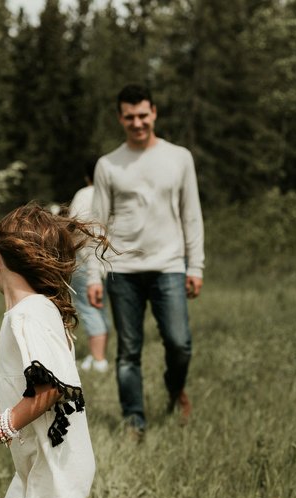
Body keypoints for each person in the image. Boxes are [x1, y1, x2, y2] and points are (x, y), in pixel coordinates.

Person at [0, 203, 110, 498]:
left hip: (54, 470)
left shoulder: (28, 315)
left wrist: (2, 425)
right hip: (44, 459)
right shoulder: (37, 310)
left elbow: (49, 389)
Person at [87, 84, 205, 436]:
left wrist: (195, 265)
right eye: (129, 117)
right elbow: (98, 225)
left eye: (143, 115)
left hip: (169, 264)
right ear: (120, 118)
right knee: (128, 352)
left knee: (179, 343)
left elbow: (191, 214)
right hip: (122, 271)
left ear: (154, 112)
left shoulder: (179, 157)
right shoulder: (108, 164)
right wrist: (94, 275)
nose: (137, 123)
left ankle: (174, 388)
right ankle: (134, 421)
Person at [69, 161, 110, 373]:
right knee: (100, 309)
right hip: (112, 262)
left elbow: (74, 226)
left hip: (86, 259)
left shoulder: (84, 194)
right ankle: (99, 356)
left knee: (89, 307)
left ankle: (98, 359)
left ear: (88, 177)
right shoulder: (116, 193)